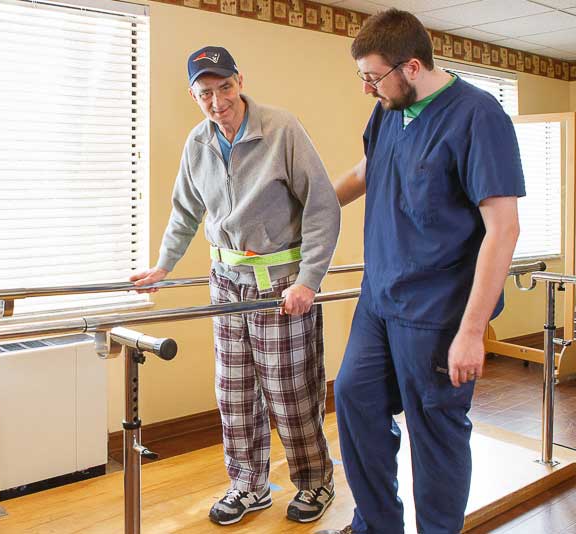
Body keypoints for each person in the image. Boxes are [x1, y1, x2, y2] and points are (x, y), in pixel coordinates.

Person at [316, 9, 525, 534]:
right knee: (355, 397)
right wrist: (306, 214)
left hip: (437, 310)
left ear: (411, 66)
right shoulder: (389, 109)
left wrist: (472, 332)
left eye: (373, 77)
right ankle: (376, 525)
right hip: (380, 297)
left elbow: (503, 229)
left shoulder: (478, 116)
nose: (367, 88)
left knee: (434, 432)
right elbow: (368, 169)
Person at [131, 46, 341, 525]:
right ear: (193, 95)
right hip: (225, 282)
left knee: (290, 392)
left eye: (224, 87)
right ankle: (249, 484)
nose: (218, 101)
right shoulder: (197, 144)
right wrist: (163, 265)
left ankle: (316, 480)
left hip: (280, 283)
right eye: (205, 93)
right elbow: (185, 212)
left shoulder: (281, 129)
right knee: (235, 391)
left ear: (240, 81)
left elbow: (322, 207)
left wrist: (309, 280)